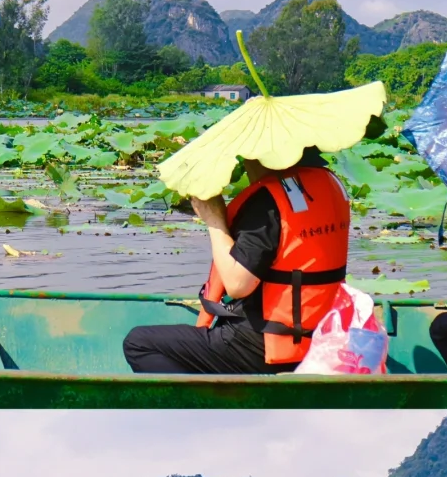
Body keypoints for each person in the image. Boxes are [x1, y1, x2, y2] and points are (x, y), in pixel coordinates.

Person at [123, 149, 350, 375]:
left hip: (260, 345)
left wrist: (214, 218)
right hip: (320, 338)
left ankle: (204, 407)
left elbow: (238, 284)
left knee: (138, 344)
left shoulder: (268, 201)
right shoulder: (330, 184)